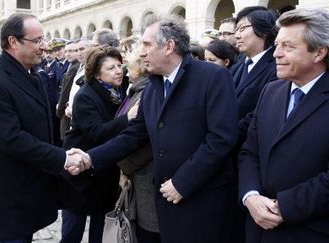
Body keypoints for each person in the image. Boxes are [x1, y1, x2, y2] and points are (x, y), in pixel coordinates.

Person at [67, 14, 239, 243]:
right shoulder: (152, 88)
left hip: (204, 200)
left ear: (169, 46)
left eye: (146, 45)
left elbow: (221, 139)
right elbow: (132, 135)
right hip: (166, 205)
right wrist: (90, 158)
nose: (140, 52)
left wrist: (182, 182)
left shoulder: (212, 77)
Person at [0, 13, 83, 242]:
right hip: (6, 200)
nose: (44, 47)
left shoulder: (34, 77)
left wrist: (67, 149)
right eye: (37, 41)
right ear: (13, 42)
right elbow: (12, 139)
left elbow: (45, 126)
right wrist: (61, 158)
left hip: (28, 196)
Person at [238, 8, 329, 243]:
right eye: (277, 45)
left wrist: (283, 207)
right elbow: (250, 151)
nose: (276, 54)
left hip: (308, 231)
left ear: (319, 52)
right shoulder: (271, 90)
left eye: (288, 47)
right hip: (256, 228)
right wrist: (250, 196)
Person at [61, 44, 135, 243]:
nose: (118, 71)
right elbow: (96, 132)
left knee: (101, 225)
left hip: (105, 168)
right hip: (80, 169)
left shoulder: (120, 90)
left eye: (120, 65)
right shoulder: (86, 95)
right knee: (73, 228)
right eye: (111, 68)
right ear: (96, 73)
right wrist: (128, 118)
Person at [115, 46, 160, 242]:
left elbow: (143, 138)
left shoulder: (145, 92)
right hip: (134, 171)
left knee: (147, 231)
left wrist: (125, 168)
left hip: (143, 172)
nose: (125, 71)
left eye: (128, 66)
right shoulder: (134, 90)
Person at [231, 6, 279, 140]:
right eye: (236, 30)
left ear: (263, 30)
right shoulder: (237, 67)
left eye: (242, 28)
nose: (236, 35)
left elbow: (260, 113)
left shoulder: (277, 67)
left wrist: (228, 134)